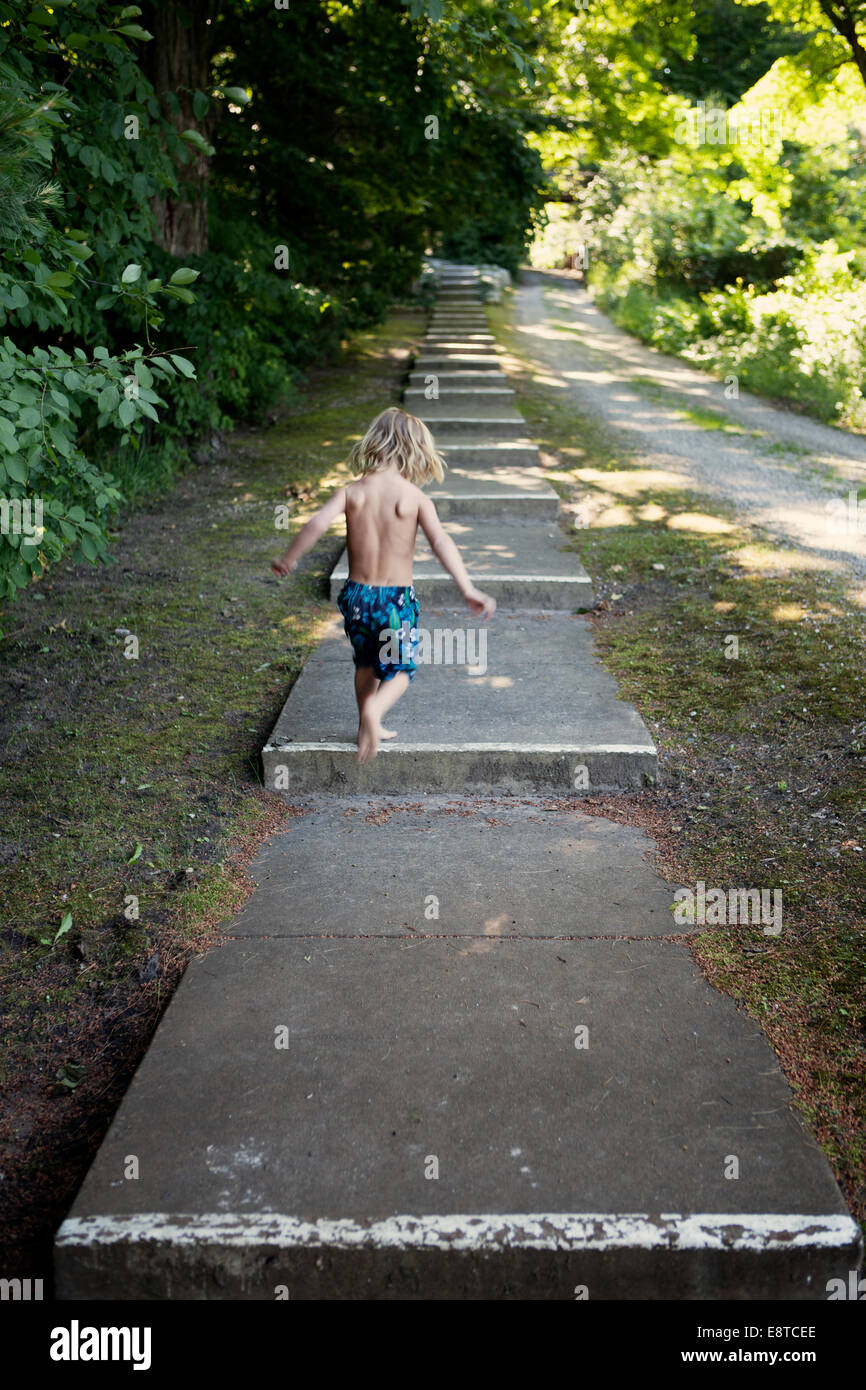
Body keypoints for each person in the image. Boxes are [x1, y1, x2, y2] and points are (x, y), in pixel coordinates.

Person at [271, 406, 496, 762]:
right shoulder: (414, 497)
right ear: (414, 451)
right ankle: (374, 714)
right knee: (401, 669)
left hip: (357, 598)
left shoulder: (352, 492)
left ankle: (365, 724)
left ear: (374, 443)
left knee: (366, 664)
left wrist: (289, 558)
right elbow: (441, 543)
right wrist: (467, 588)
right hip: (395, 601)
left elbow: (315, 524)